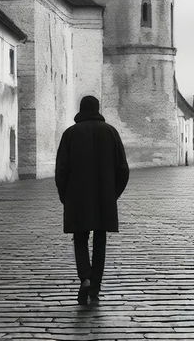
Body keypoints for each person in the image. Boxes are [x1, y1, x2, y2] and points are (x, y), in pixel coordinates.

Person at [55, 95, 129, 306]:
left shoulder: (70, 134)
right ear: (98, 109)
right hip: (104, 198)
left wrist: (65, 196)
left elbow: (61, 170)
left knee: (80, 238)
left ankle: (85, 277)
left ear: (81, 109)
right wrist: (112, 194)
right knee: (100, 240)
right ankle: (95, 285)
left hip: (77, 198)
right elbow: (123, 170)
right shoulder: (111, 132)